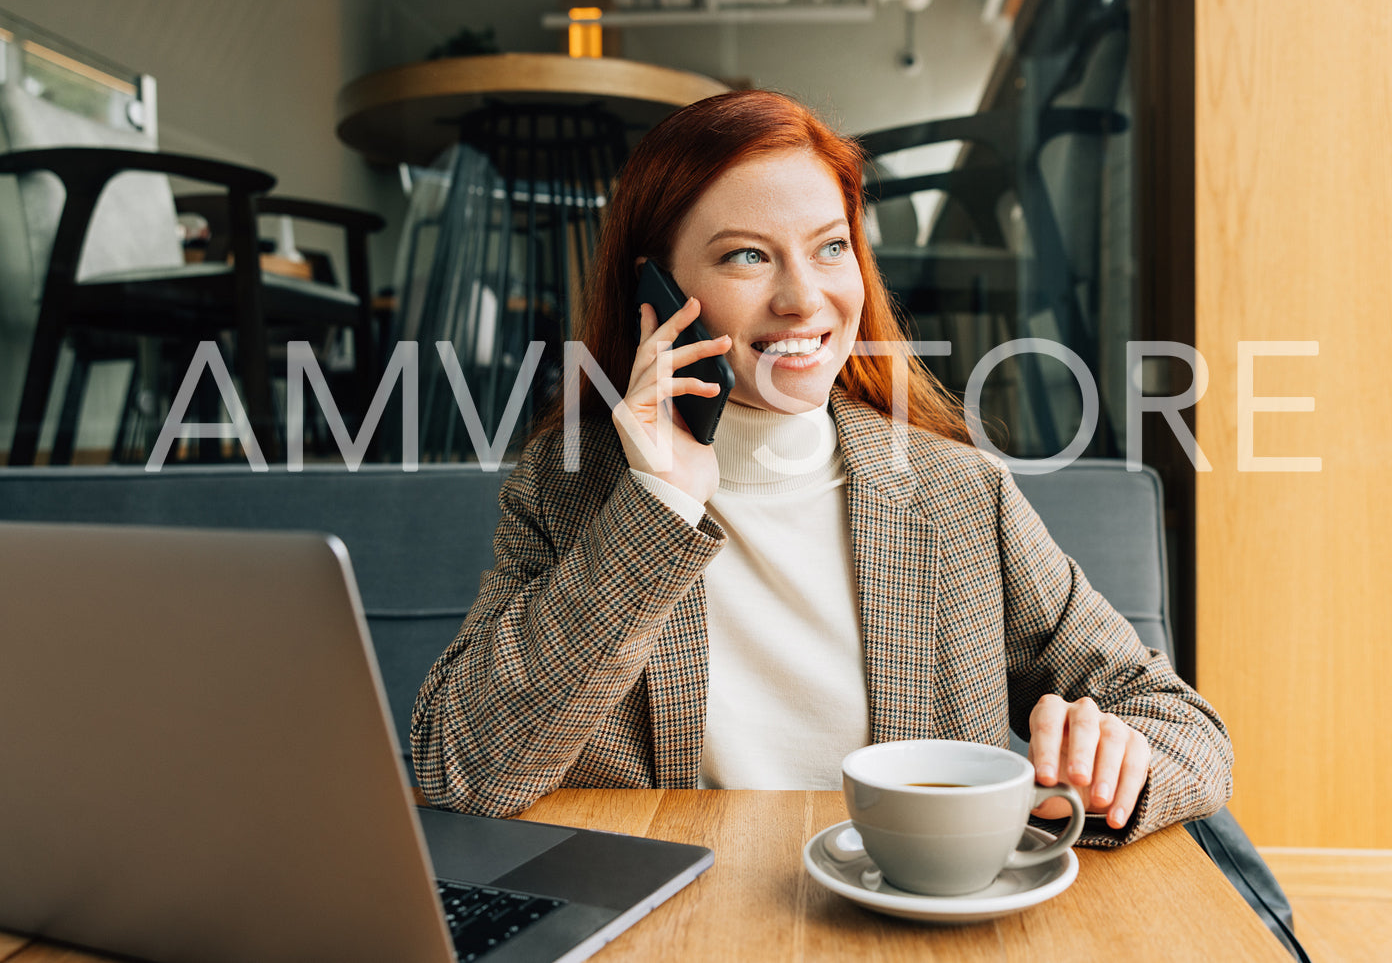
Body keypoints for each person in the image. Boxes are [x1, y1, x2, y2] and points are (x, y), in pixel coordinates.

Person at [411, 90, 1232, 847]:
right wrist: (657, 505)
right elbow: (462, 766)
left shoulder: (957, 494)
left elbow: (1181, 725)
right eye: (745, 257)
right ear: (656, 291)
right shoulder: (568, 489)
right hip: (682, 927)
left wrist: (1108, 770)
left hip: (905, 926)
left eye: (830, 247)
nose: (804, 298)